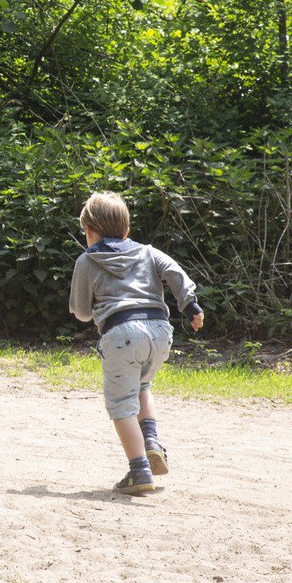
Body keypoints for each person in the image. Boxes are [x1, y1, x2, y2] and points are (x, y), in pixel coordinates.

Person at [69, 191, 204, 494]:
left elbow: (80, 311)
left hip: (121, 335)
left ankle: (139, 469)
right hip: (160, 332)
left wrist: (91, 310)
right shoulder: (148, 252)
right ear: (127, 230)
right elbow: (174, 271)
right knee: (142, 387)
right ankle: (152, 441)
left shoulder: (87, 260)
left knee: (121, 406)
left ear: (89, 231)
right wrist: (190, 305)